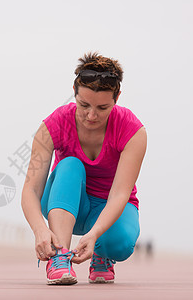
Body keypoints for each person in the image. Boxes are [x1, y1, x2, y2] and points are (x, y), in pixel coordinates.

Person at [21, 52, 147, 285]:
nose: (91, 115)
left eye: (102, 107)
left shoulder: (133, 131)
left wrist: (95, 234)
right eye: (84, 104)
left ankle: (103, 254)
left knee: (119, 244)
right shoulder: (54, 125)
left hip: (108, 206)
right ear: (74, 91)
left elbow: (120, 193)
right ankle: (59, 258)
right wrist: (39, 228)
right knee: (70, 164)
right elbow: (30, 189)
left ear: (117, 97)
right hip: (66, 201)